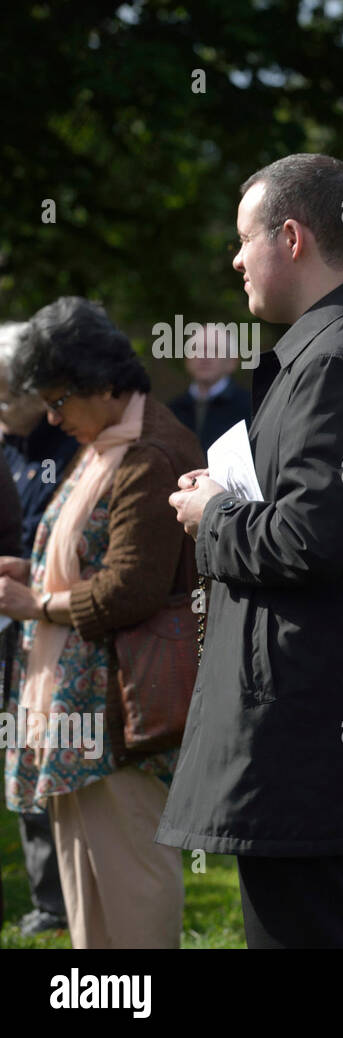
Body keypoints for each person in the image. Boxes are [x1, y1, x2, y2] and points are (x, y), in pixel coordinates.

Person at [160, 153, 343, 949]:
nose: (234, 260)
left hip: (318, 761)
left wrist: (211, 513)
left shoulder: (335, 362)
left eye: (243, 239)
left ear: (290, 237)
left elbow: (307, 540)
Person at [0, 297, 202, 948]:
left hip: (122, 710)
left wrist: (42, 605)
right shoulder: (105, 441)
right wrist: (34, 575)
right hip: (78, 707)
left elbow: (132, 588)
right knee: (89, 893)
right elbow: (89, 560)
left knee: (131, 889)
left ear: (102, 381)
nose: (53, 417)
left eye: (59, 400)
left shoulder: (149, 451)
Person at [0, 320, 78, 937]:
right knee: (21, 754)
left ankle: (70, 896)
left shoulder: (72, 443)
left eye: (7, 394)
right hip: (10, 618)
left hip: (57, 620)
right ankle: (45, 897)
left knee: (57, 751)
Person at [166, 327, 252, 452]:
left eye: (215, 350)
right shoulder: (172, 412)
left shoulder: (251, 409)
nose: (204, 357)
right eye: (197, 349)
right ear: (187, 359)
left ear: (232, 362)